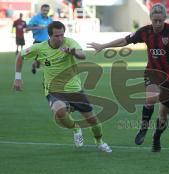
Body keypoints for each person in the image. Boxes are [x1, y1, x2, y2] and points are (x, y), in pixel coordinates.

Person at [88, 3, 169, 152]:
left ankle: (156, 138)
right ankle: (143, 128)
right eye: (154, 20)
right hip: (152, 73)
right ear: (151, 18)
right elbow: (124, 40)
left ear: (165, 18)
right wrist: (103, 46)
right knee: (151, 98)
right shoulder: (145, 32)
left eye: (160, 20)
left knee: (163, 115)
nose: (157, 24)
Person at [13, 21, 112, 153]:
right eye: (57, 36)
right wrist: (18, 78)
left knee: (92, 119)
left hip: (74, 89)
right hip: (54, 90)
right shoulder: (39, 48)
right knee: (58, 110)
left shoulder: (69, 42)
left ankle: (99, 141)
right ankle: (76, 128)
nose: (60, 38)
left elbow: (82, 55)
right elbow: (20, 56)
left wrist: (72, 52)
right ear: (49, 36)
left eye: (62, 35)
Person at [27, 4, 53, 74]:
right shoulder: (35, 18)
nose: (45, 12)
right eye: (44, 10)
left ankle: (47, 71)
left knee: (46, 58)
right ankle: (34, 65)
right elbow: (27, 28)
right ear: (41, 10)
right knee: (38, 61)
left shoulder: (50, 20)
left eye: (47, 10)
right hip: (37, 42)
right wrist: (38, 27)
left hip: (47, 43)